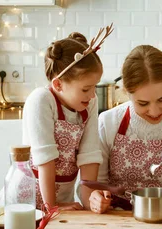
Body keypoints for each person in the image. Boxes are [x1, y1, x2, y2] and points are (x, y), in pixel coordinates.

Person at [82, 45, 162, 213]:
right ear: (127, 92)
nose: (154, 111)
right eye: (143, 103)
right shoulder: (108, 123)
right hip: (117, 221)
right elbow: (96, 185)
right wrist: (97, 198)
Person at [21, 29, 112, 211]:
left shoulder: (89, 103)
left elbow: (89, 156)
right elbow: (45, 159)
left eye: (94, 87)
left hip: (63, 204)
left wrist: (91, 202)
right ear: (58, 84)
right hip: (26, 205)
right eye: (86, 89)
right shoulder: (41, 100)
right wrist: (51, 207)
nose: (93, 94)